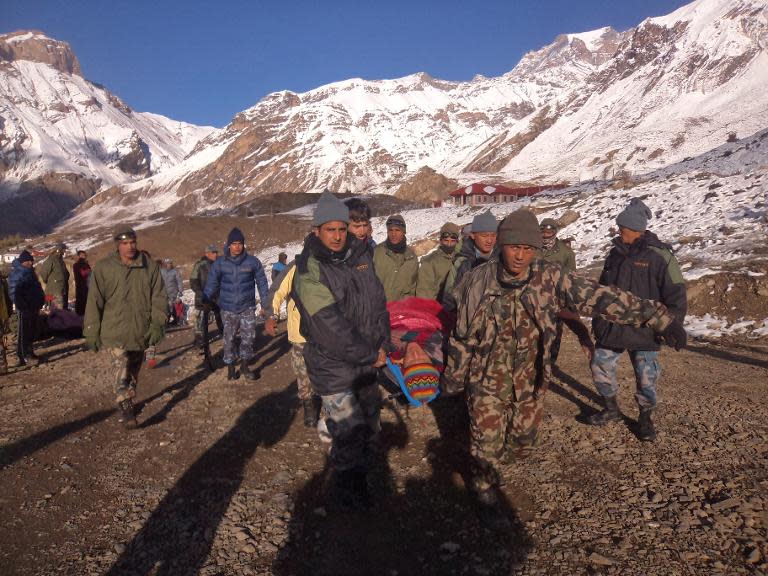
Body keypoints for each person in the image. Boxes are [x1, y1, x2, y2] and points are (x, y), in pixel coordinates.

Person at [441, 209, 687, 516]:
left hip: (530, 377)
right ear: (502, 245)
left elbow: (601, 297)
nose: (520, 256)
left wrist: (660, 318)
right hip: (486, 378)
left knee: (521, 442)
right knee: (485, 442)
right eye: (515, 247)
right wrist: (453, 380)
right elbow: (461, 335)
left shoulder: (550, 278)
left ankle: (500, 459)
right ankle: (483, 486)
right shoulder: (476, 282)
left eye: (527, 249)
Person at [292, 190, 389, 508]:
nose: (336, 236)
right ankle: (348, 490)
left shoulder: (361, 256)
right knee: (350, 432)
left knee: (371, 425)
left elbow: (377, 304)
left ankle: (356, 470)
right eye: (329, 229)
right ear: (316, 231)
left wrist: (383, 342)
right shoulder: (310, 271)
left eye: (341, 228)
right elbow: (329, 327)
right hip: (333, 366)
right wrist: (369, 353)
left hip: (365, 362)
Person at [589, 198, 688, 442]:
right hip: (613, 327)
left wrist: (671, 325)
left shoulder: (661, 257)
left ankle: (645, 419)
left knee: (646, 378)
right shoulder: (615, 254)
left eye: (622, 231)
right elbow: (603, 290)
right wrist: (598, 320)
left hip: (646, 329)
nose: (619, 234)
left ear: (636, 230)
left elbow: (677, 294)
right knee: (599, 365)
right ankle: (611, 408)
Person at [83, 226, 167, 428]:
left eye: (132, 242)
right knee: (121, 370)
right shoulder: (104, 268)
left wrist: (158, 324)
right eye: (124, 243)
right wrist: (91, 331)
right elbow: (94, 301)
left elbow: (159, 298)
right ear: (117, 245)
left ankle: (128, 398)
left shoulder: (149, 267)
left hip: (140, 330)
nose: (129, 247)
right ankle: (126, 408)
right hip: (114, 331)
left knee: (133, 372)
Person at [203, 228, 269, 381]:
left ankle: (245, 365)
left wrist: (266, 304)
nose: (237, 246)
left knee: (248, 338)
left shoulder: (253, 262)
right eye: (234, 243)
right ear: (228, 245)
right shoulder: (220, 263)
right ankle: (231, 366)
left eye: (240, 243)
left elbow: (262, 283)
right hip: (228, 308)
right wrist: (206, 298)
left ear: (243, 245)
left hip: (247, 307)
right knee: (229, 339)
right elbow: (212, 282)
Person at [264, 256, 320, 427]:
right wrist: (271, 315)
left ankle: (325, 403)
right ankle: (308, 404)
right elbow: (277, 290)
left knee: (325, 369)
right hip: (300, 332)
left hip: (325, 332)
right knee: (302, 371)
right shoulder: (295, 267)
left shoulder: (331, 263)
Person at [538, 218, 582, 365]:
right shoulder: (533, 248)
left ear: (555, 232)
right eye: (543, 232)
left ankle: (550, 364)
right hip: (535, 299)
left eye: (549, 232)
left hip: (556, 301)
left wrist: (569, 301)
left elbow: (572, 278)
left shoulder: (566, 252)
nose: (546, 235)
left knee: (554, 335)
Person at [442, 210, 498, 310]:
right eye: (484, 235)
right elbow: (449, 298)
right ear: (473, 235)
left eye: (493, 235)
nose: (489, 240)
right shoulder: (463, 263)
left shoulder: (501, 259)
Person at [8, 250, 45, 366]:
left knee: (31, 332)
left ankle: (29, 352)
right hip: (24, 308)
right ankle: (24, 356)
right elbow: (13, 291)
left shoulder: (30, 272)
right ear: (23, 261)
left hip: (33, 307)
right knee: (24, 333)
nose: (30, 262)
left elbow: (37, 288)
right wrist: (22, 305)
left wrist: (40, 300)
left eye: (31, 261)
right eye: (28, 261)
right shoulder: (17, 273)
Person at [373, 214, 418, 302]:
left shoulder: (412, 258)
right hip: (379, 309)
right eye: (390, 230)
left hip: (402, 310)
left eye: (397, 230)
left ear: (403, 232)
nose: (393, 234)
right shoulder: (376, 253)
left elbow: (413, 289)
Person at [190, 245, 223, 349]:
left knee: (221, 316)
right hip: (203, 296)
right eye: (213, 252)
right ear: (207, 253)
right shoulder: (199, 265)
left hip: (218, 296)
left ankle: (225, 334)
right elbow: (193, 280)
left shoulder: (219, 264)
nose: (216, 254)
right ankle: (199, 341)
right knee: (200, 318)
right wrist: (199, 292)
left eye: (216, 252)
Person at [415, 222, 460, 301]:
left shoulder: (460, 260)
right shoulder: (430, 263)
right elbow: (424, 296)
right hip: (437, 309)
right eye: (446, 240)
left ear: (457, 241)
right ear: (440, 240)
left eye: (452, 241)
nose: (449, 244)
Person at [37, 243, 70, 310]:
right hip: (53, 291)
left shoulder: (61, 261)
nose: (64, 252)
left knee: (61, 311)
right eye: (64, 250)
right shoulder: (51, 259)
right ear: (59, 250)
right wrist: (48, 281)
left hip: (61, 290)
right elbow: (44, 272)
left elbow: (66, 274)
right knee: (56, 312)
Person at [160, 259, 184, 325]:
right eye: (168, 263)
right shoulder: (161, 271)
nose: (169, 265)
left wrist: (180, 291)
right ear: (165, 264)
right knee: (166, 307)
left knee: (173, 307)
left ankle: (177, 320)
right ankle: (166, 321)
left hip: (173, 292)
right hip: (164, 293)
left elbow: (179, 282)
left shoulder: (175, 272)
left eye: (170, 263)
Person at [72, 250, 92, 316]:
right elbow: (83, 273)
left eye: (84, 255)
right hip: (85, 285)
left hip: (79, 286)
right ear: (79, 255)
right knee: (85, 301)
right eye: (83, 255)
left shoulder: (75, 265)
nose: (84, 256)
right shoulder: (83, 264)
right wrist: (89, 270)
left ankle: (78, 315)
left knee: (79, 301)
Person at [0, 271, 11, 374]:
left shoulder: (2, 282)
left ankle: (2, 366)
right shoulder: (3, 281)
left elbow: (7, 300)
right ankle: (2, 366)